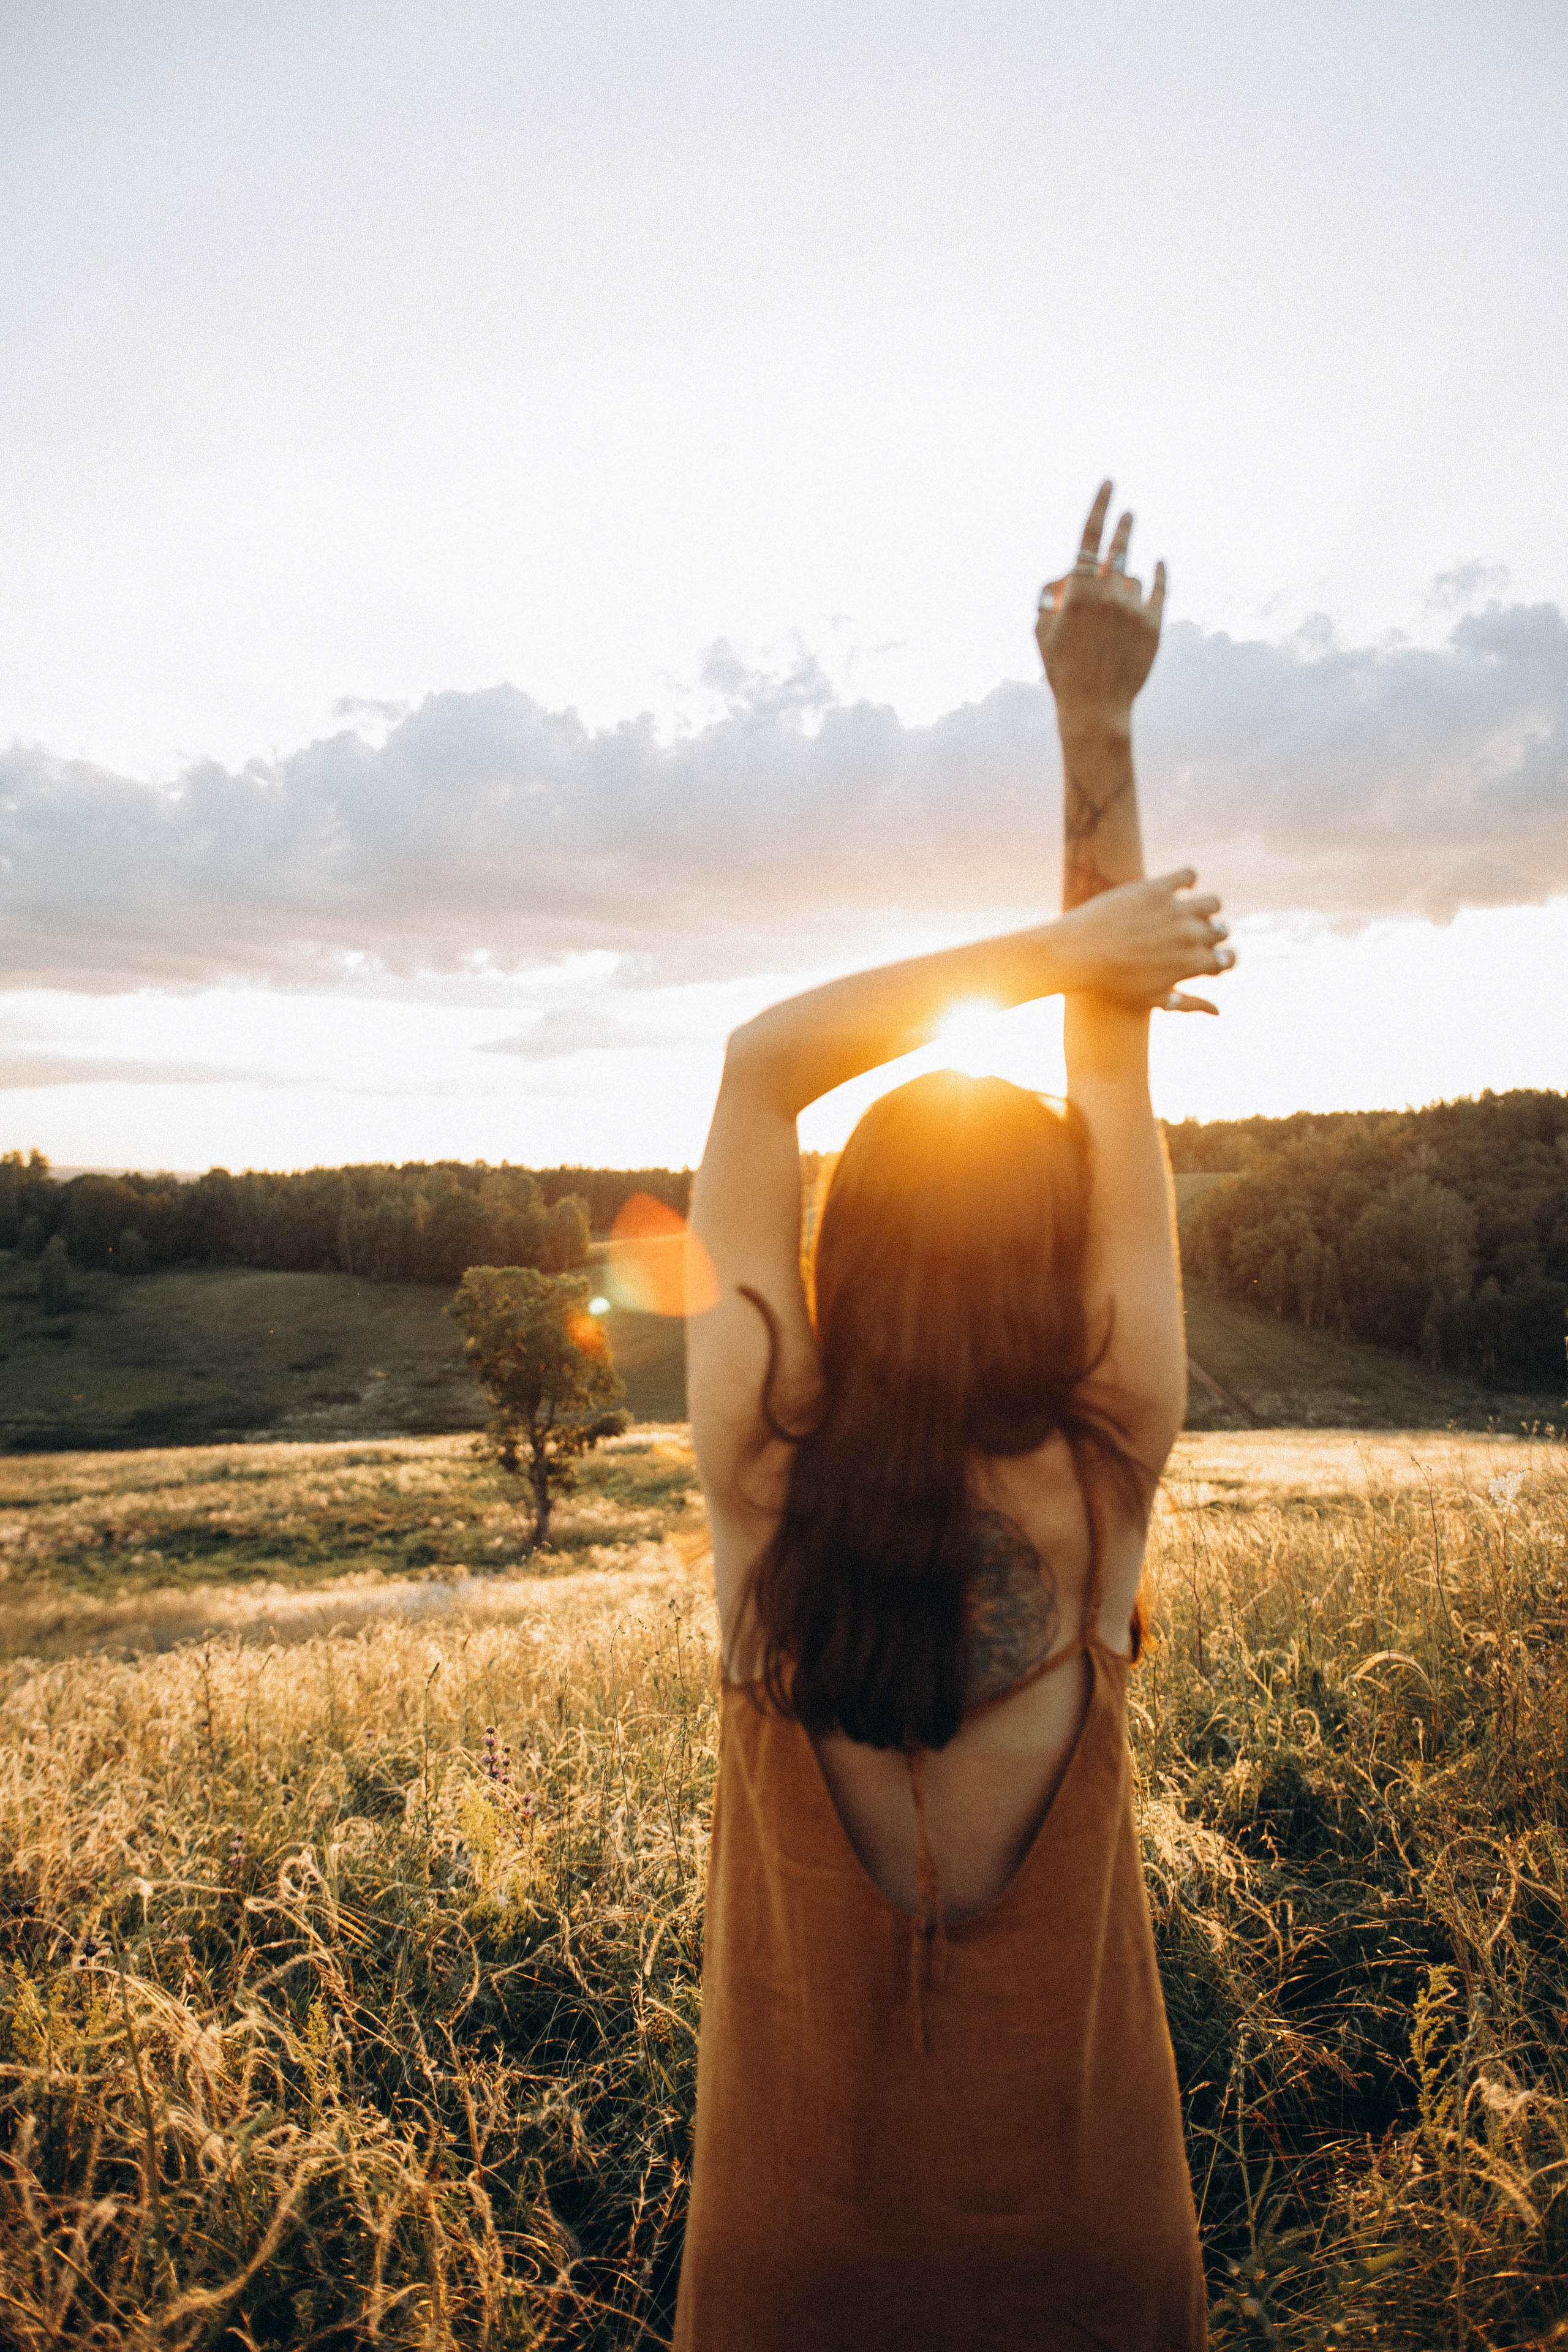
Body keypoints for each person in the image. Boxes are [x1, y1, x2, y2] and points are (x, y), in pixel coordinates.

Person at [673, 483, 1235, 2351]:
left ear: (850, 1250)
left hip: (791, 2277)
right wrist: (1099, 732)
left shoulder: (764, 1473)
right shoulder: (1108, 1456)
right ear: (1057, 1259)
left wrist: (1060, 953)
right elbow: (1116, 1063)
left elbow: (765, 1068)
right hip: (1077, 2264)